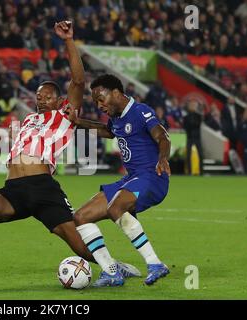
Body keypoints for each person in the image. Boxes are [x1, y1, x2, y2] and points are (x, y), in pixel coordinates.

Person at [0, 22, 139, 282]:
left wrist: (68, 41)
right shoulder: (29, 119)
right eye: (38, 95)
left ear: (58, 99)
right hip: (15, 185)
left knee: (75, 241)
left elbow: (77, 80)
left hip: (43, 187)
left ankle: (113, 266)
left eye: (46, 96)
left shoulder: (65, 115)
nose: (40, 99)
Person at [65, 74, 171, 286]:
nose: (99, 105)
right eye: (95, 101)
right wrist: (78, 122)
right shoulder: (117, 118)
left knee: (115, 208)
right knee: (81, 217)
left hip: (152, 175)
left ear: (116, 93)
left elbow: (162, 136)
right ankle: (111, 272)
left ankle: (154, 263)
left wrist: (163, 158)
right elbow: (108, 131)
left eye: (101, 98)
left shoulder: (141, 111)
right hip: (131, 179)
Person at [183, 100, 203, 175]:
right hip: (190, 137)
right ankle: (189, 172)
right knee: (188, 155)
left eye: (194, 105)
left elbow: (197, 125)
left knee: (200, 154)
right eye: (191, 105)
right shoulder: (186, 117)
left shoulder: (199, 116)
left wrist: (191, 125)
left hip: (197, 137)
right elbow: (185, 127)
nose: (193, 107)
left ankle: (201, 171)